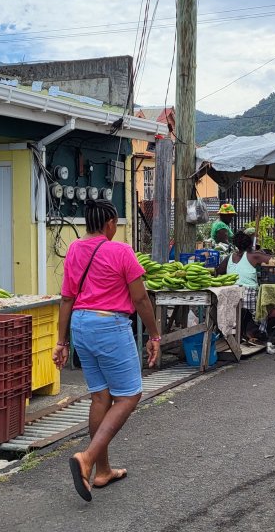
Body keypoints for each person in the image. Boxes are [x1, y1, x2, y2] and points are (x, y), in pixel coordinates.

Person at [54, 199, 162, 502]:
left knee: (101, 395)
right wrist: (154, 334)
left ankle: (102, 471)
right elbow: (140, 299)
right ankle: (87, 458)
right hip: (109, 326)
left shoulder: (75, 249)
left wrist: (61, 342)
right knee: (129, 394)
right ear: (111, 223)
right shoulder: (121, 250)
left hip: (81, 325)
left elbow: (66, 298)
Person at [217, 230, 273, 345]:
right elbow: (274, 260)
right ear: (250, 244)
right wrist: (262, 253)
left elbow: (219, 271)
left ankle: (241, 331)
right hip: (248, 295)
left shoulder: (229, 257)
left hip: (231, 293)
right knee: (266, 308)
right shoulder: (254, 256)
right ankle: (260, 332)